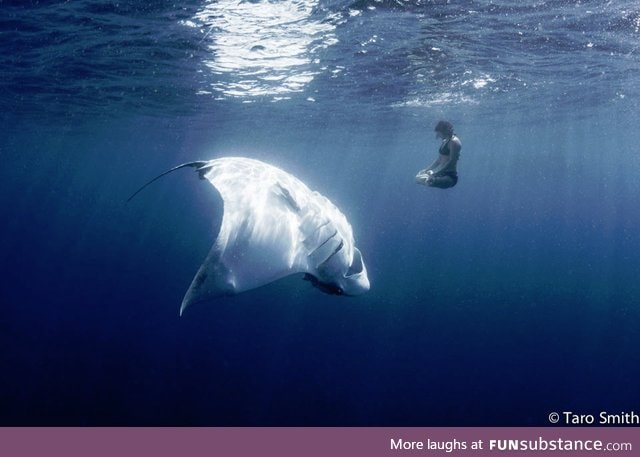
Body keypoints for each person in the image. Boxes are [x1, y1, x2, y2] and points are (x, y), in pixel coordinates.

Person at [415, 120, 461, 189]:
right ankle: (432, 178)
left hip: (449, 177)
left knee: (430, 181)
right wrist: (427, 170)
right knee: (418, 178)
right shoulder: (445, 141)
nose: (438, 136)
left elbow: (451, 162)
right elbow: (439, 159)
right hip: (440, 174)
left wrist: (436, 174)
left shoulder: (454, 142)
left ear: (445, 131)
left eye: (439, 133)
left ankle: (432, 179)